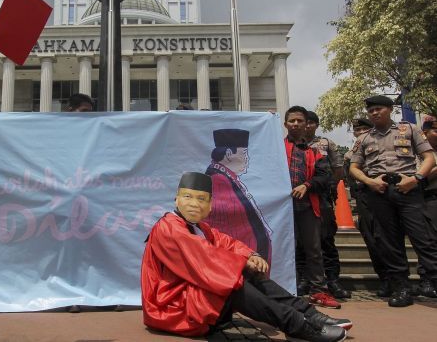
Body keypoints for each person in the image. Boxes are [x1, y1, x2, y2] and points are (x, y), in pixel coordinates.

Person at [141, 172, 351, 342]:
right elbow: (206, 258)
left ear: (210, 205)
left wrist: (250, 254)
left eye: (201, 199)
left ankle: (308, 313)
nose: (194, 203)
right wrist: (243, 262)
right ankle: (298, 326)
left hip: (192, 297)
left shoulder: (200, 227)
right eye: (187, 197)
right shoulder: (169, 227)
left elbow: (226, 242)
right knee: (230, 282)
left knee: (246, 272)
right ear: (176, 199)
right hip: (171, 306)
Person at [349, 95, 437, 307]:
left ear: (390, 109)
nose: (375, 113)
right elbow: (353, 167)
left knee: (423, 239)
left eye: (379, 109)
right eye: (371, 111)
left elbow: (429, 158)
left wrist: (416, 179)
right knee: (390, 242)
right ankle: (402, 288)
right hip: (379, 192)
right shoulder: (364, 138)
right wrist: (369, 181)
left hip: (408, 189)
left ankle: (432, 281)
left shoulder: (410, 130)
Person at [283, 106, 339, 308]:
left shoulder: (316, 152)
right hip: (282, 210)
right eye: (292, 121)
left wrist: (306, 185)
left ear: (307, 124)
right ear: (285, 124)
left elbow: (324, 177)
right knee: (285, 249)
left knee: (313, 249)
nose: (296, 124)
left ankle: (318, 291)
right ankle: (288, 290)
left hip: (308, 206)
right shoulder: (275, 148)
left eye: (300, 121)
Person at [298, 111, 350, 299]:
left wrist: (327, 187)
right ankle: (304, 279)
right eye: (306, 122)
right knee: (301, 242)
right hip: (300, 198)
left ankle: (332, 280)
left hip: (322, 197)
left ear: (316, 125)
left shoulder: (326, 144)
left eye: (312, 123)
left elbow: (338, 169)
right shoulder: (290, 145)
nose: (308, 126)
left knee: (326, 239)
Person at [204, 129, 272, 262]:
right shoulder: (218, 181)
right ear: (229, 154)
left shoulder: (227, 177)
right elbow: (224, 226)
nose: (247, 159)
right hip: (238, 259)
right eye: (244, 154)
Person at [343, 118, 390, 296]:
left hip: (385, 194)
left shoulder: (384, 146)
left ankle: (398, 278)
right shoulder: (350, 154)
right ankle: (384, 277)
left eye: (365, 128)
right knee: (372, 238)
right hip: (364, 197)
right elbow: (349, 178)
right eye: (358, 130)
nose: (361, 132)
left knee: (389, 237)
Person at [416, 117, 437, 297]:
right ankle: (427, 279)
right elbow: (419, 178)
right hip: (429, 197)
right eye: (435, 130)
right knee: (428, 240)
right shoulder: (420, 153)